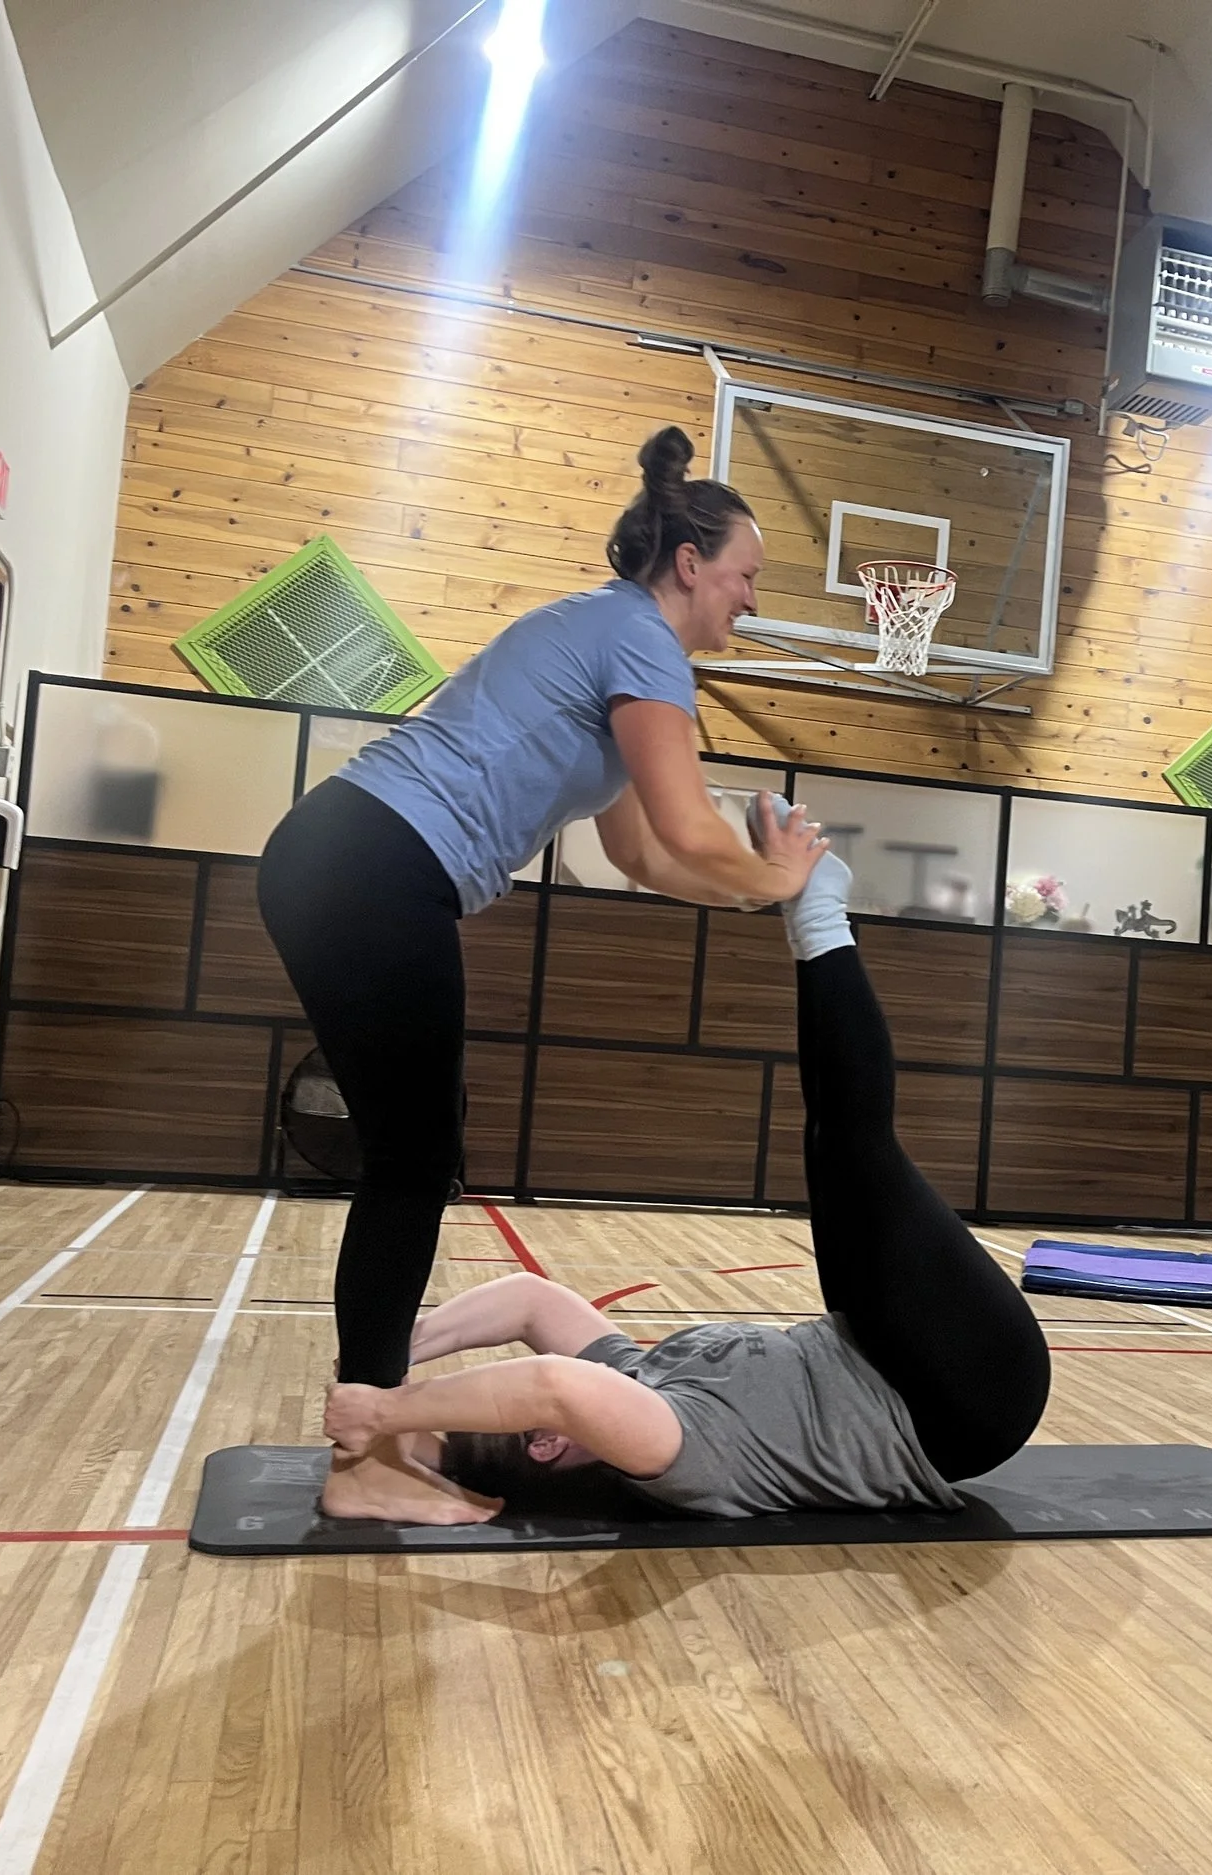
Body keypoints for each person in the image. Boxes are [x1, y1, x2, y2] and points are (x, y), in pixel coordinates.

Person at [259, 427, 828, 1524]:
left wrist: (761, 892)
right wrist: (776, 872)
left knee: (410, 1159)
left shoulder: (607, 642)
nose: (751, 602)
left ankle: (378, 1427)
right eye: (748, 577)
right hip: (375, 865)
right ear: (690, 565)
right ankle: (365, 1457)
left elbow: (644, 855)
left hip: (344, 860)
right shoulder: (639, 643)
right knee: (414, 1165)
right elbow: (691, 827)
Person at [319, 846, 1053, 1522]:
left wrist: (390, 1360)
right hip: (958, 1400)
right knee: (858, 1152)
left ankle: (816, 917)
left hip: (879, 1351)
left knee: (837, 1144)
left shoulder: (637, 1376)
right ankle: (819, 917)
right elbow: (552, 1386)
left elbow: (531, 1300)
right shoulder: (672, 1452)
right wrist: (387, 1415)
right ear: (547, 1443)